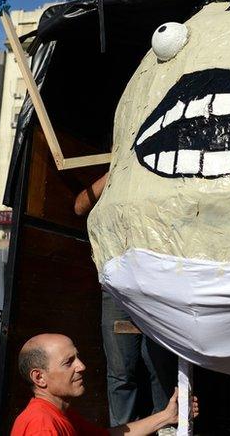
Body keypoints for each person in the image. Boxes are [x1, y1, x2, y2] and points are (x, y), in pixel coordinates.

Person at [74, 174, 178, 428]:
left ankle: (165, 429)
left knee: (160, 365)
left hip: (159, 285)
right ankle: (122, 429)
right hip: (117, 287)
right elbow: (79, 206)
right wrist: (118, 168)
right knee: (121, 370)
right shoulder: (120, 172)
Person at [10, 333, 196, 436]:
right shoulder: (42, 426)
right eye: (68, 362)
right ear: (39, 377)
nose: (81, 366)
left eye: (77, 357)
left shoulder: (59, 413)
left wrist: (167, 416)